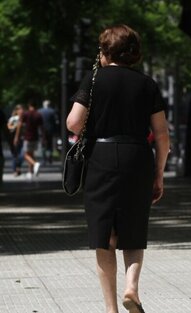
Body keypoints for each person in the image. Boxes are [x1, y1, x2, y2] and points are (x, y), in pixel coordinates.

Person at [67, 24, 169, 313]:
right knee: (134, 230)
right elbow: (161, 133)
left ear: (105, 51)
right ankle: (132, 287)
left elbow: (74, 123)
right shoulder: (147, 84)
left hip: (101, 155)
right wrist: (159, 172)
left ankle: (111, 309)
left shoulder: (94, 80)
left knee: (105, 237)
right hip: (138, 156)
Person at [14, 99, 43, 179]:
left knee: (25, 154)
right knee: (31, 154)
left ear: (29, 105)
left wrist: (16, 136)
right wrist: (44, 138)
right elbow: (41, 128)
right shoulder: (38, 114)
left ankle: (35, 164)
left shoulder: (26, 114)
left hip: (28, 137)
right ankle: (31, 171)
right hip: (35, 137)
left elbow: (19, 125)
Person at [38, 99, 58, 164]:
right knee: (50, 144)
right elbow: (56, 121)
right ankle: (49, 157)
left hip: (42, 130)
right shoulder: (52, 111)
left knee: (43, 144)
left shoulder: (39, 111)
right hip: (50, 130)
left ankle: (44, 159)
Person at [7, 104, 25, 176]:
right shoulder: (13, 118)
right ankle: (15, 170)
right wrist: (15, 126)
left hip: (23, 138)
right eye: (20, 109)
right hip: (14, 138)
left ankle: (18, 168)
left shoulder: (24, 118)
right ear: (16, 111)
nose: (21, 111)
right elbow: (8, 126)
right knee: (15, 155)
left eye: (22, 109)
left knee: (22, 155)